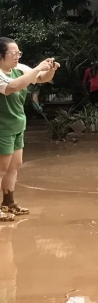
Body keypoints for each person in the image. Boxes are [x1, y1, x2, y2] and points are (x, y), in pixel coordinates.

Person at [0, 38, 59, 221]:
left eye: (19, 53)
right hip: (2, 127)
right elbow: (12, 87)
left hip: (17, 124)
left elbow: (41, 79)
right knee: (1, 167)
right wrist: (37, 68)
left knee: (15, 164)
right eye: (13, 53)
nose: (17, 56)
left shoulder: (20, 69)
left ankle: (8, 202)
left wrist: (50, 70)